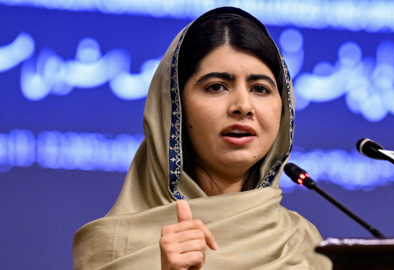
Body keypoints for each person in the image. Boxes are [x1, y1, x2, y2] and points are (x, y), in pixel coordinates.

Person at [73, 7, 332, 270]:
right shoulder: (115, 248)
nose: (243, 106)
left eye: (260, 89)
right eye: (216, 86)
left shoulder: (305, 244)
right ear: (174, 108)